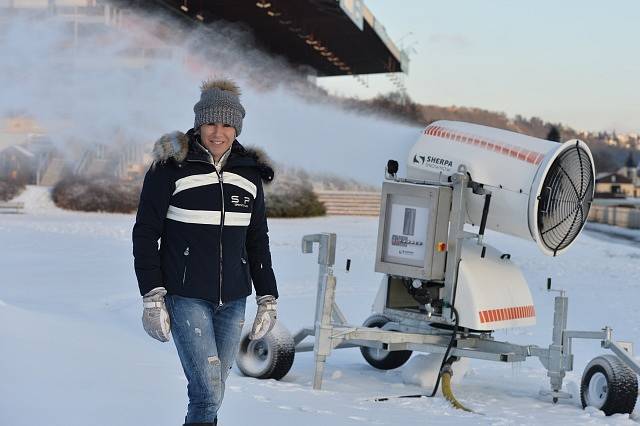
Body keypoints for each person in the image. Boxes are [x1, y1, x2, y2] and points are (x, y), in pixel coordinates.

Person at [132, 78, 279, 426]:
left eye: (228, 124)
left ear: (237, 127)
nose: (218, 132)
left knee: (213, 389)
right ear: (199, 123)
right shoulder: (170, 167)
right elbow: (145, 233)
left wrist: (267, 296)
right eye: (211, 122)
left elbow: (258, 239)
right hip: (185, 295)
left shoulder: (248, 174)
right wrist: (152, 296)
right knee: (208, 389)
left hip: (234, 299)